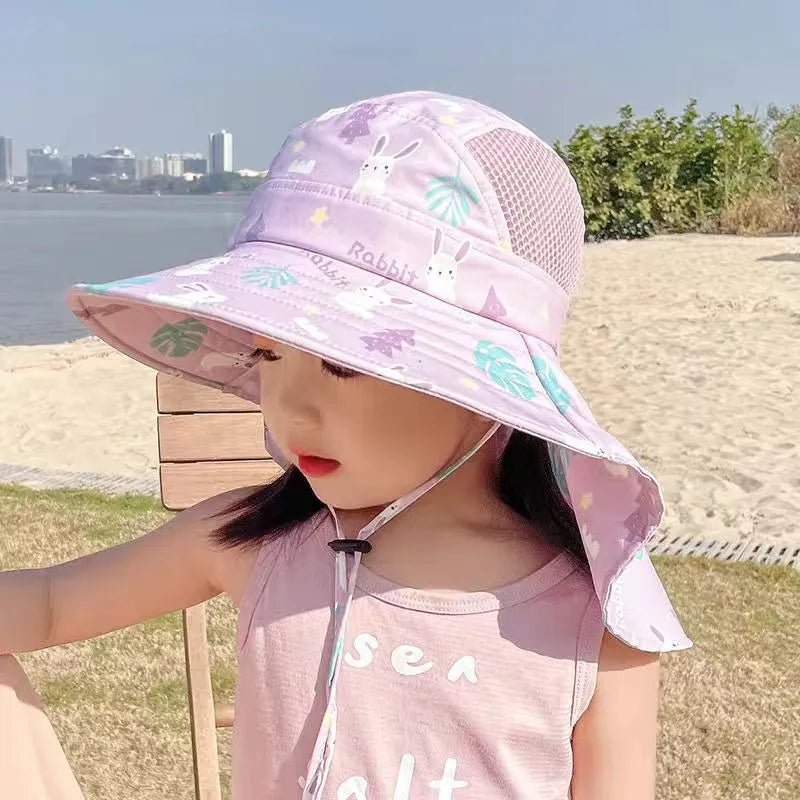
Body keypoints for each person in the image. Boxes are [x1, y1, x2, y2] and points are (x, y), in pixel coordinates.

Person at [0, 90, 692, 799]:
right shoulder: (251, 543)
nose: (289, 405)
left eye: (343, 364)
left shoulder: (597, 615)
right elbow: (53, 604)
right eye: (269, 356)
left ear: (484, 393)